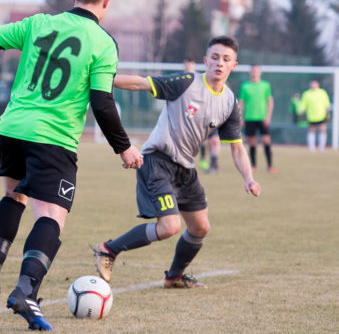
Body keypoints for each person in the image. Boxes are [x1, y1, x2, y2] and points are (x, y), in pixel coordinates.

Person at [0, 0, 143, 331]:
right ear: (107, 1)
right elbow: (102, 102)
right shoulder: (103, 43)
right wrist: (123, 148)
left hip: (12, 128)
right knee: (51, 216)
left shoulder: (38, 23)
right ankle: (26, 291)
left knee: (14, 196)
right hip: (54, 138)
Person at [93, 36, 261, 288]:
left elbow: (237, 148)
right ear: (205, 60)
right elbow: (141, 83)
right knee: (169, 226)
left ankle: (173, 276)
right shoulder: (186, 82)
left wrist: (249, 178)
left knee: (200, 227)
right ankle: (108, 249)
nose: (219, 63)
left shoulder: (229, 102)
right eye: (215, 57)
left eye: (226, 59)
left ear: (233, 65)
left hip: (186, 168)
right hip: (157, 160)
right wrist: (102, 80)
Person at [238, 65, 277, 173]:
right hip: (249, 118)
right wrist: (241, 117)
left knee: (266, 141)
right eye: (253, 71)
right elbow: (241, 102)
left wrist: (268, 116)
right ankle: (253, 166)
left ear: (260, 73)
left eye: (257, 71)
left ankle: (270, 166)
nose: (255, 72)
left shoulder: (266, 85)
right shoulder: (245, 86)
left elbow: (270, 101)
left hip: (262, 118)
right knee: (252, 142)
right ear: (250, 73)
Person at [300, 80, 331, 152]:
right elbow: (303, 104)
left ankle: (322, 147)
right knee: (312, 130)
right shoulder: (306, 94)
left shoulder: (322, 92)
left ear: (318, 85)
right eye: (312, 84)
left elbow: (327, 103)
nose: (313, 86)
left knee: (322, 130)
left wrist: (327, 111)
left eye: (315, 84)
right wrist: (302, 111)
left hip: (321, 115)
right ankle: (312, 147)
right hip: (311, 115)